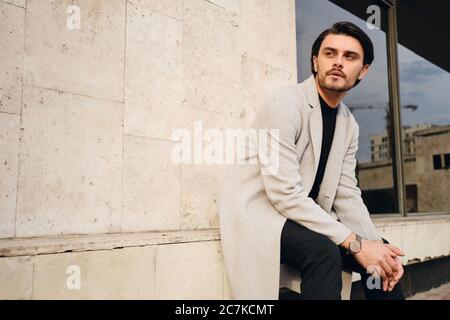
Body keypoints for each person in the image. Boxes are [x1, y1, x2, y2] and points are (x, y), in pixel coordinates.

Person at [219, 21, 405, 300]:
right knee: (323, 251)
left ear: (363, 70)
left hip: (302, 216)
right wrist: (355, 243)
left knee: (383, 259)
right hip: (263, 214)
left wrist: (375, 245)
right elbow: (283, 194)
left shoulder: (349, 125)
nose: (338, 62)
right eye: (330, 54)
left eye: (349, 56)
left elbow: (346, 193)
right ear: (315, 61)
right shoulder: (285, 104)